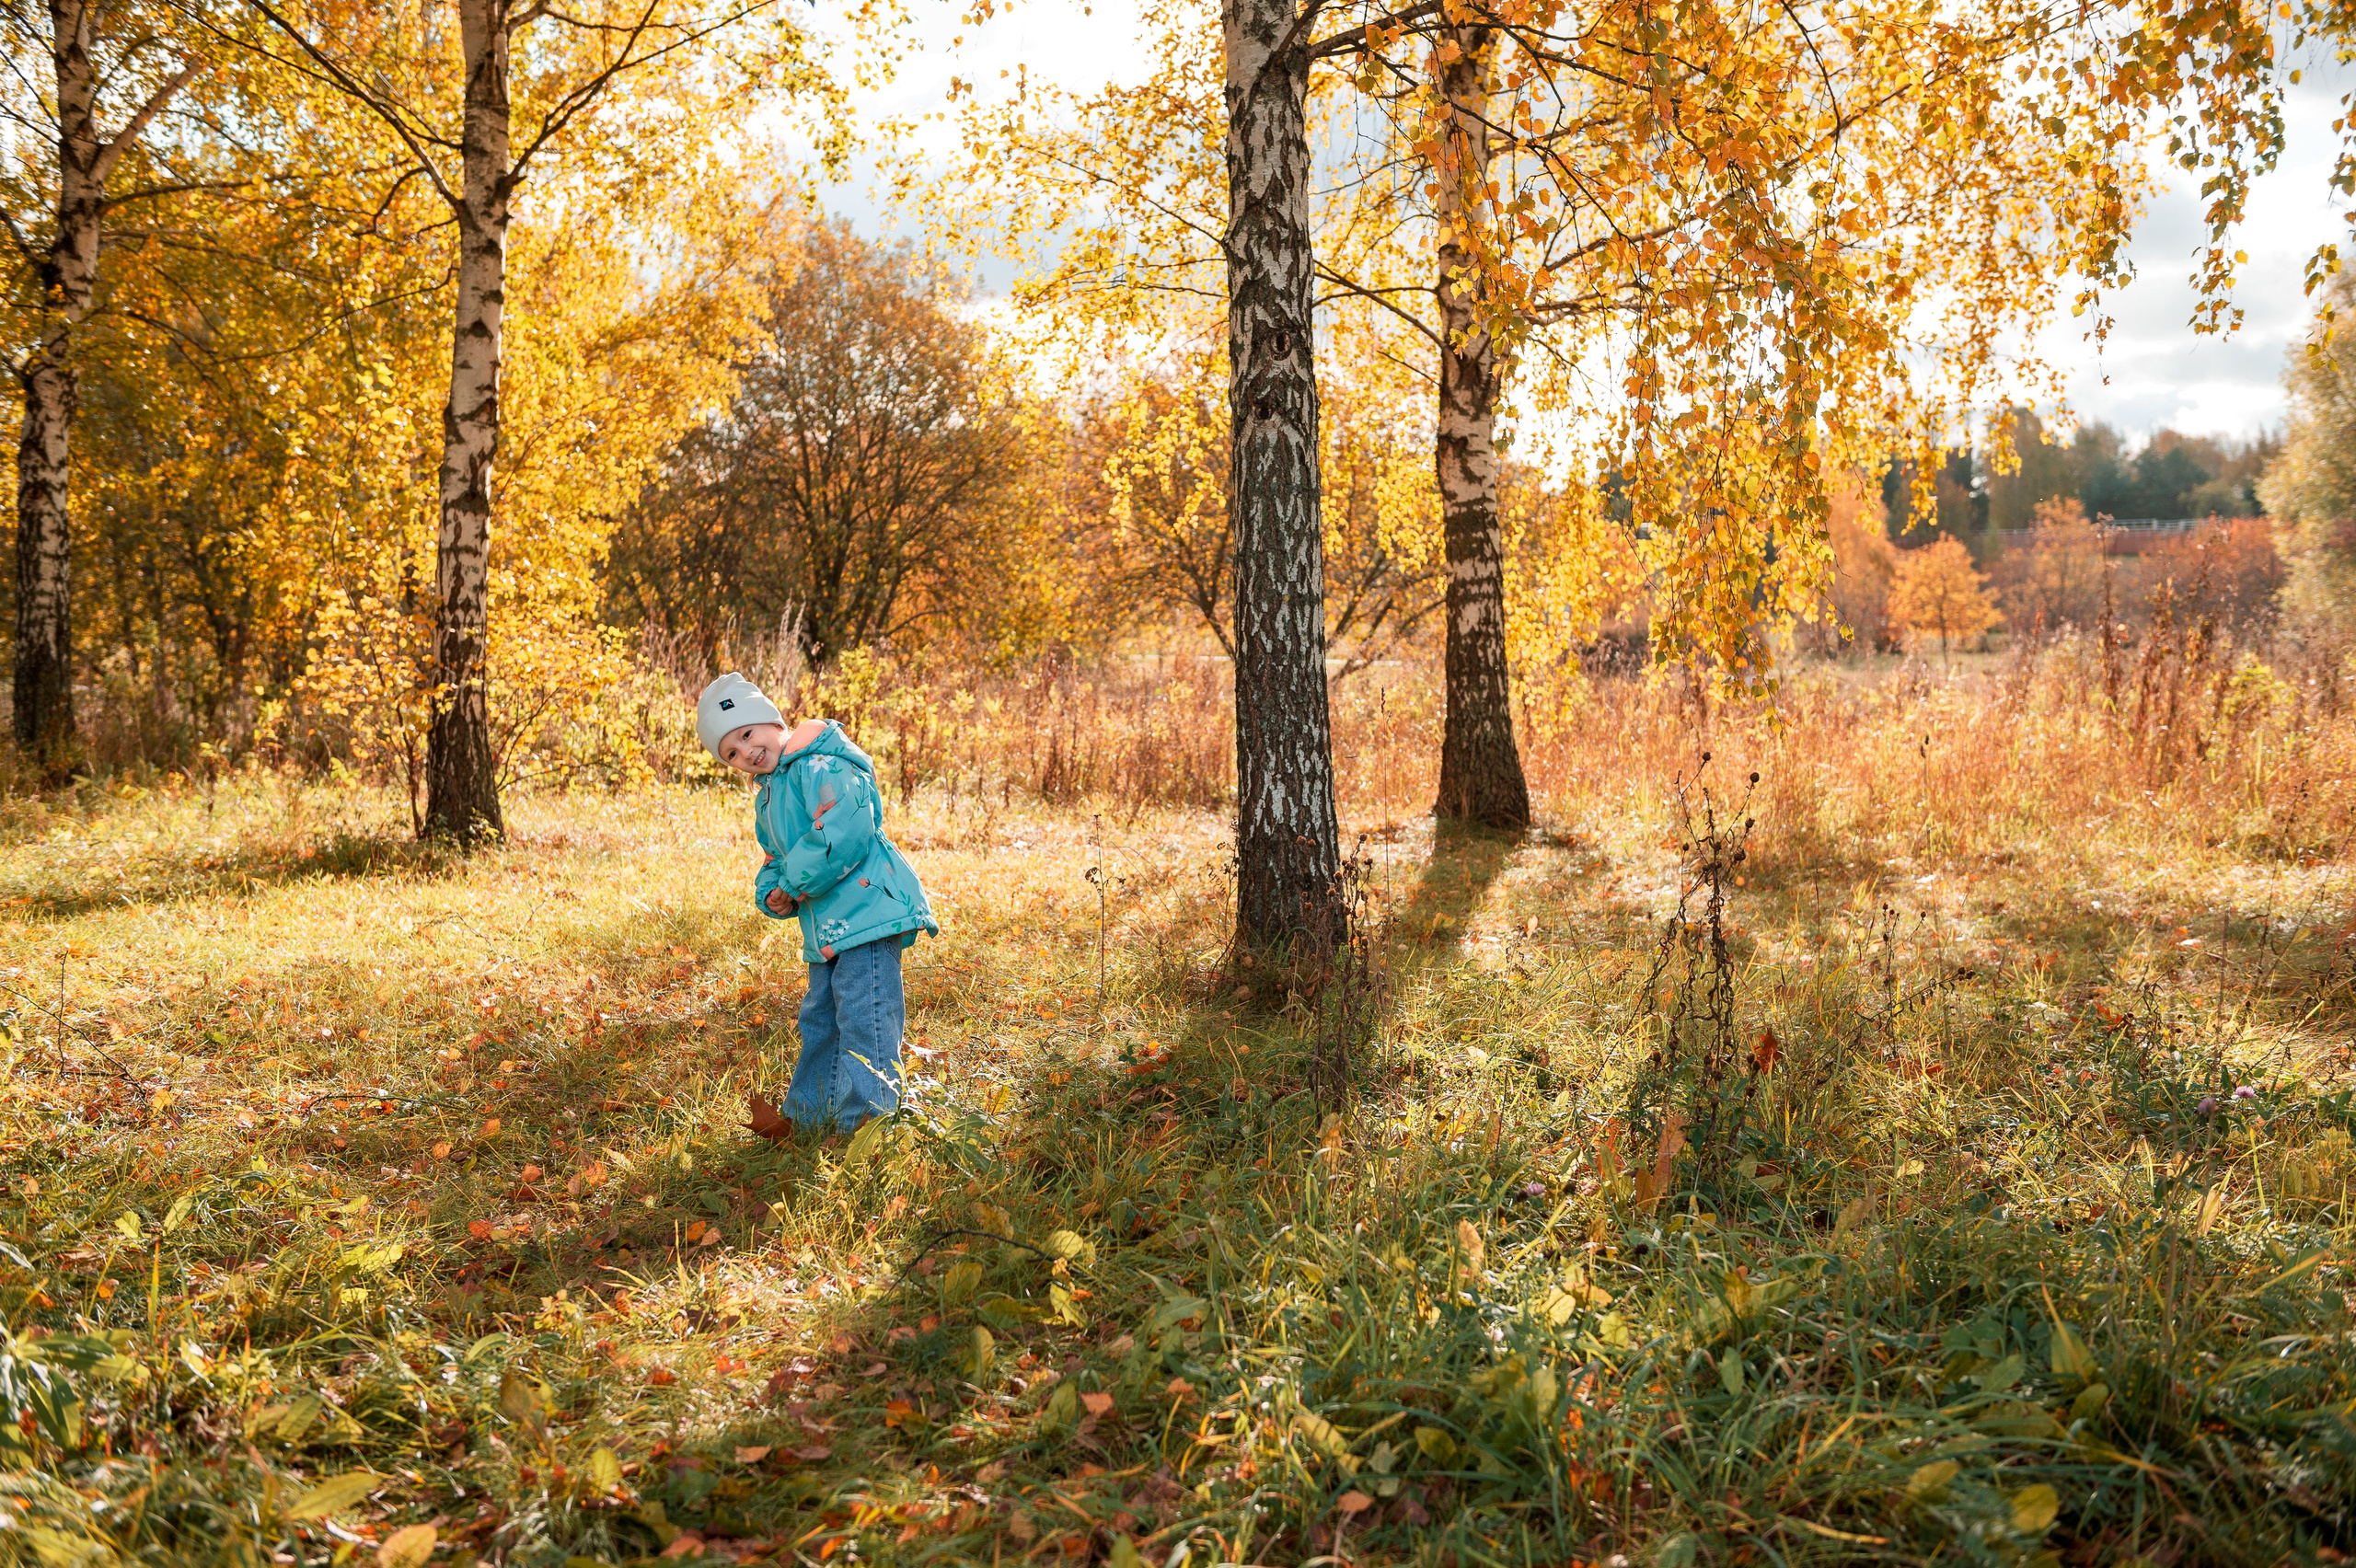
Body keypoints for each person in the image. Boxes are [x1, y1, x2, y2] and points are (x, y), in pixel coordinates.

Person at [697, 672, 938, 1139]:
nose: (746, 752)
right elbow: (774, 857)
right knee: (821, 1018)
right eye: (731, 753)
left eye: (747, 735)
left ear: (772, 722)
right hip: (826, 927)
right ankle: (810, 1117)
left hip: (868, 912)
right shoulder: (768, 797)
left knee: (864, 1016)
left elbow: (843, 830)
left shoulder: (822, 764)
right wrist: (773, 892)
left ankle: (870, 1125)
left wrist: (793, 879)